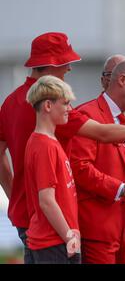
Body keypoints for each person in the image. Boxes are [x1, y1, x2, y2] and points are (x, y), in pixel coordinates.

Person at [0, 32, 125, 263]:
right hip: (55, 223)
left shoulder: (11, 103)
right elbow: (103, 133)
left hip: (33, 217)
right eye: (65, 64)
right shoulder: (54, 123)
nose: (69, 70)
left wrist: (17, 198)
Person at [69, 59, 125, 264]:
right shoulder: (87, 114)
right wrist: (123, 189)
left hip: (124, 228)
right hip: (97, 228)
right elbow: (79, 168)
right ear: (123, 80)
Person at [24, 75, 81, 264]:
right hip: (53, 242)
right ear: (48, 106)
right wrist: (69, 237)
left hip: (53, 240)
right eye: (65, 103)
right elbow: (47, 201)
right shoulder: (44, 145)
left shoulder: (47, 141)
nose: (69, 109)